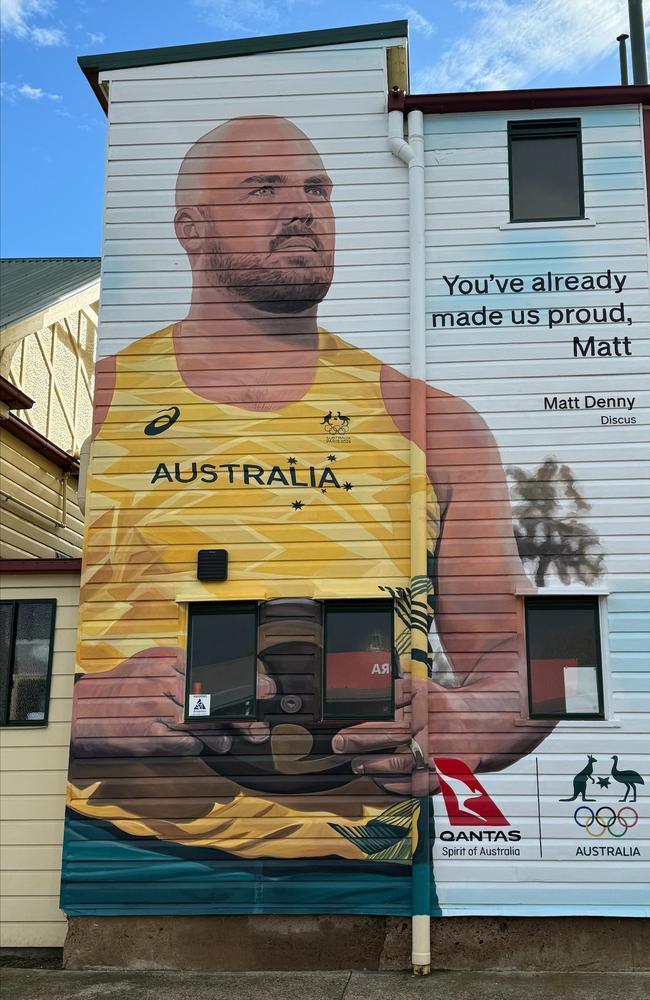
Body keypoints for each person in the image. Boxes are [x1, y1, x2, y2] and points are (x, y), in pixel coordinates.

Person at [67, 116, 554, 869]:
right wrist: (80, 706)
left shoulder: (433, 424)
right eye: (264, 188)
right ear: (190, 228)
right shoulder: (96, 402)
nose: (302, 207)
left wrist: (470, 719)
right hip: (116, 855)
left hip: (373, 868)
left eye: (316, 189)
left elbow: (519, 649)